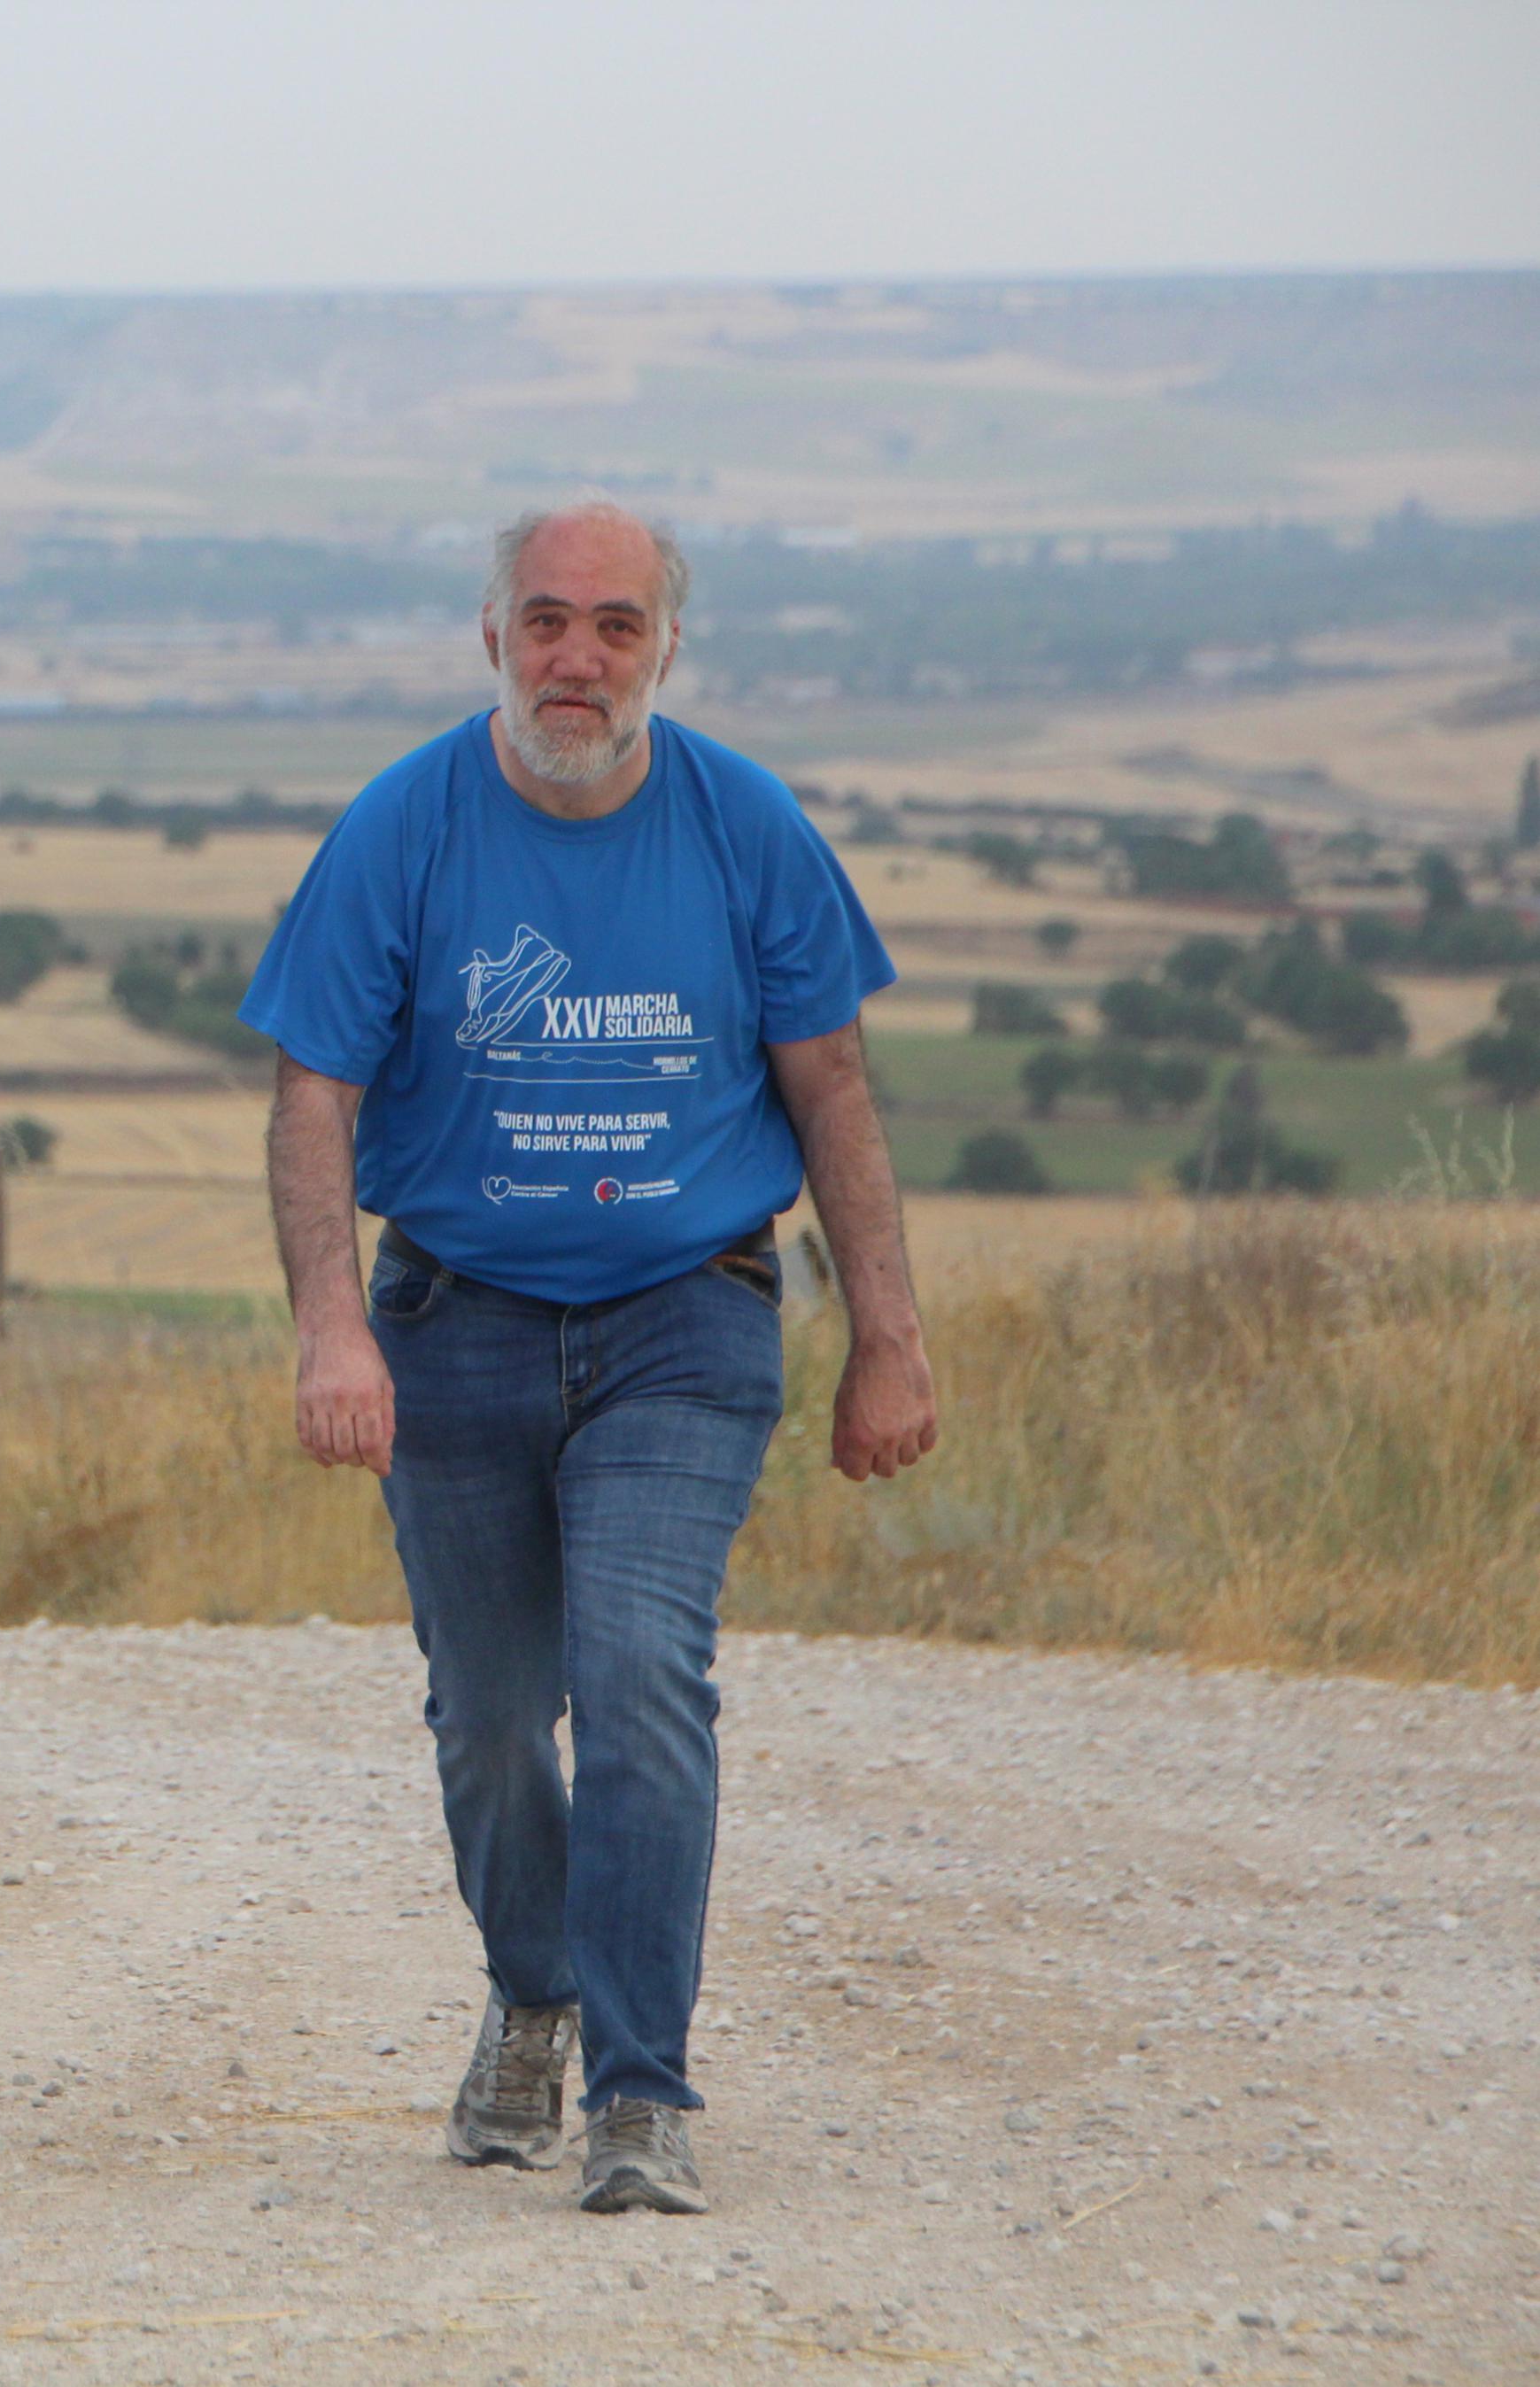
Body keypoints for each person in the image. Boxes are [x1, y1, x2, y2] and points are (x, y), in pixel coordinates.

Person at [244, 501, 938, 2216]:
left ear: (666, 651)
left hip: (683, 1320)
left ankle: (640, 2085)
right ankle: (536, 1988)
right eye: (547, 621)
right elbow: (312, 1095)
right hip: (453, 1322)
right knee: (490, 1721)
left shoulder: (743, 826)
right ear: (492, 636)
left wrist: (889, 1343)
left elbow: (833, 1085)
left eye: (616, 627)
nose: (579, 659)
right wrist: (332, 1324)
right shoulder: (404, 827)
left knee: (636, 1678)